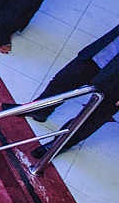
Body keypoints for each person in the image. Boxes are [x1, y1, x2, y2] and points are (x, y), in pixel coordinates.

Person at [7, 23, 119, 158]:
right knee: (63, 80)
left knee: (95, 114)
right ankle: (40, 109)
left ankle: (60, 144)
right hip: (102, 54)